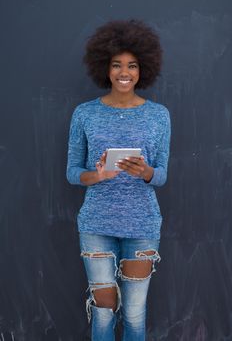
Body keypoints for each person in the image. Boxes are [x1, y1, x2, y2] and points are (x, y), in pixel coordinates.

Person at [66, 19, 171, 341]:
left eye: (132, 65)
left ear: (143, 70)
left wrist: (146, 173)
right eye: (116, 65)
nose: (124, 72)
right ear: (105, 68)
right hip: (96, 225)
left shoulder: (159, 115)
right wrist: (96, 175)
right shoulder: (84, 113)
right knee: (103, 311)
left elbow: (163, 175)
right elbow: (72, 173)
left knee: (136, 314)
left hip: (142, 227)